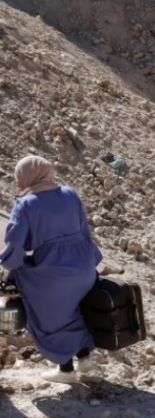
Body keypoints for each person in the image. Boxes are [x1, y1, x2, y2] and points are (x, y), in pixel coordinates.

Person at [0, 156, 101, 384]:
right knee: (73, 309)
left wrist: (8, 264)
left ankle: (65, 370)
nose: (18, 184)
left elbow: (15, 245)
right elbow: (84, 229)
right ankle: (84, 358)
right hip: (84, 266)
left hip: (55, 272)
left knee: (44, 313)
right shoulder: (69, 193)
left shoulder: (26, 204)